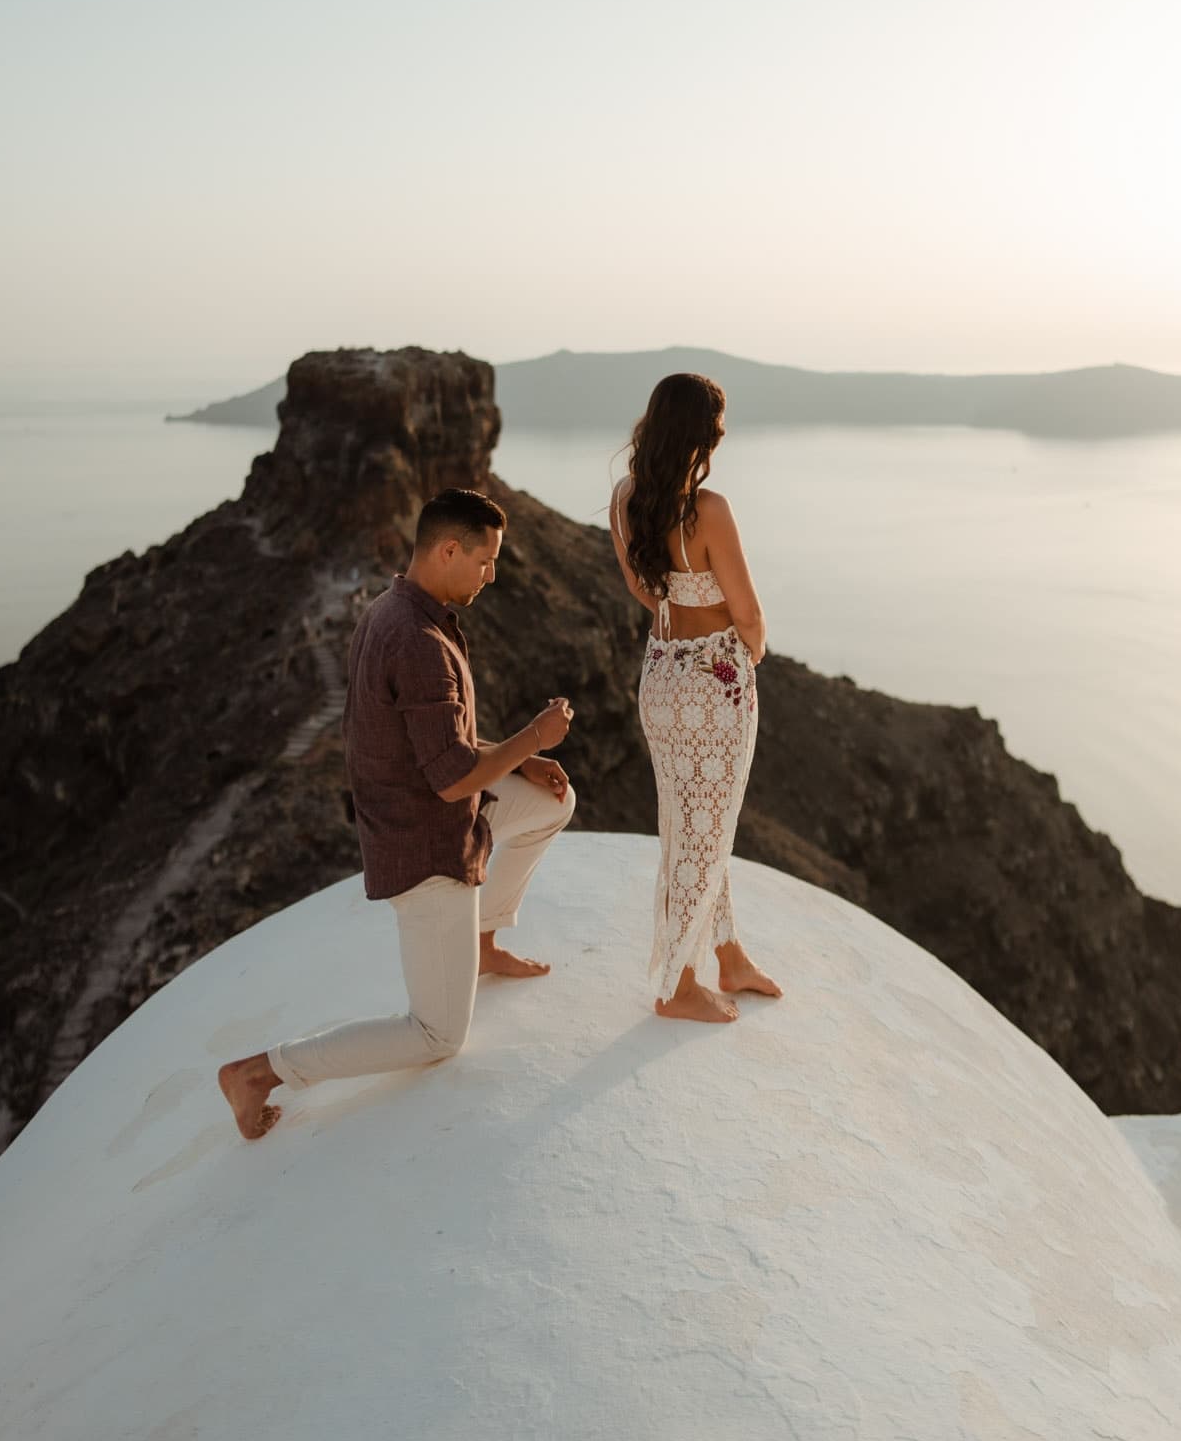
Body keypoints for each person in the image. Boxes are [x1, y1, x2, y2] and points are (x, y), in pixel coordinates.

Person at [219, 487, 575, 1139]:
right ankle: (259, 1073)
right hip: (427, 847)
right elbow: (451, 781)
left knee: (551, 801)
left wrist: (519, 764)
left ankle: (483, 939)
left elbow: (442, 749)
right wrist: (532, 739)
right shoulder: (418, 641)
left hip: (441, 812)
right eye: (485, 561)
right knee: (438, 1034)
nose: (492, 576)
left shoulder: (398, 610)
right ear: (447, 550)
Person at [609, 373, 781, 1024]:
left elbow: (645, 590)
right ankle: (678, 984)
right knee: (702, 836)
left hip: (661, 677)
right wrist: (750, 653)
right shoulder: (707, 510)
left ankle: (728, 954)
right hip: (715, 685)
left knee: (695, 823)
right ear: (706, 432)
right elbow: (749, 614)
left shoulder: (626, 499)